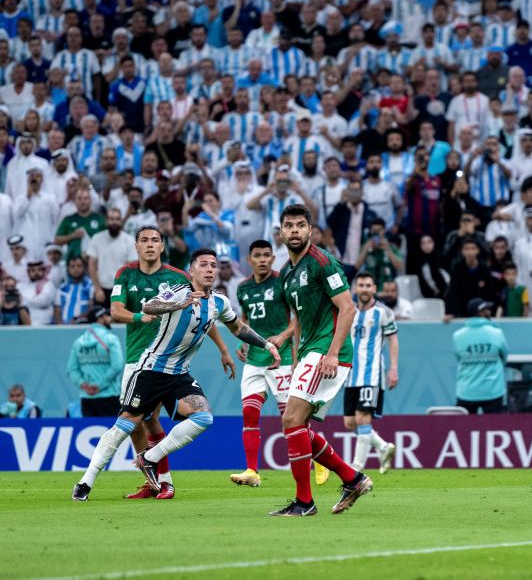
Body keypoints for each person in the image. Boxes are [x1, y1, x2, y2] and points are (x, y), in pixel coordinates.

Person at [73, 248, 275, 502]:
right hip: (151, 369)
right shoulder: (178, 291)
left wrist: (266, 344)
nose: (210, 269)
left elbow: (238, 327)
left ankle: (149, 457)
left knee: (204, 417)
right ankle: (85, 482)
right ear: (192, 271)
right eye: (203, 265)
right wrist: (179, 303)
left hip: (179, 374)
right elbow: (150, 305)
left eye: (213, 265)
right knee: (125, 425)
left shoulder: (219, 302)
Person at [108, 224, 231, 500]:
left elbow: (204, 315)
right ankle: (154, 482)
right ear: (137, 245)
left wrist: (223, 348)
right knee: (141, 423)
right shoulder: (125, 274)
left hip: (169, 361)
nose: (150, 245)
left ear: (163, 246)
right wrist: (143, 316)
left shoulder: (179, 277)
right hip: (136, 358)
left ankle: (165, 482)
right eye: (145, 240)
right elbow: (116, 311)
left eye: (155, 240)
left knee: (153, 419)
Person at [274, 203, 372, 517]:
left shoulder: (322, 261)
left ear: (310, 230)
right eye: (288, 226)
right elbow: (299, 320)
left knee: (291, 420)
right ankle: (352, 478)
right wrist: (294, 357)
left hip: (329, 353)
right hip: (309, 353)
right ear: (281, 231)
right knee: (297, 426)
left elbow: (348, 308)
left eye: (300, 225)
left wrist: (331, 353)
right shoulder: (287, 273)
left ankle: (305, 502)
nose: (294, 231)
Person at [229, 240, 296, 488]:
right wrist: (244, 341)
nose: (263, 259)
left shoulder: (283, 282)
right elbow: (244, 318)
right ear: (250, 260)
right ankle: (251, 471)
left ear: (272, 258)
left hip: (282, 359)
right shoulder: (243, 288)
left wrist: (282, 337)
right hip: (255, 359)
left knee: (291, 418)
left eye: (267, 255)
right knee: (249, 412)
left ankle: (319, 460)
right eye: (258, 255)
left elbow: (297, 319)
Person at [342, 272, 399, 476]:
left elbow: (393, 340)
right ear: (355, 289)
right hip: (350, 375)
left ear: (374, 289)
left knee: (363, 418)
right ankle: (383, 447)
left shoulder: (383, 312)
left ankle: (356, 468)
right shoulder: (348, 311)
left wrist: (393, 368)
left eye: (368, 285)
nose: (364, 289)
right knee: (350, 422)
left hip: (371, 374)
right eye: (361, 285)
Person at [453, 298, 508, 414]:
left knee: (463, 430)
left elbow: (458, 358)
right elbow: (504, 357)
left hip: (466, 391)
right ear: (481, 313)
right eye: (487, 309)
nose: (489, 312)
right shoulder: (496, 333)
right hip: (492, 390)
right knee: (494, 429)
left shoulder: (458, 335)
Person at [66, 306, 124, 417]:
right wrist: (100, 385)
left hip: (87, 397)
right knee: (113, 432)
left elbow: (71, 369)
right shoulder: (111, 339)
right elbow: (117, 365)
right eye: (107, 316)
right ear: (100, 318)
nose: (109, 318)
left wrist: (83, 385)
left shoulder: (78, 341)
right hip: (109, 395)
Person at [86, 207, 136, 305]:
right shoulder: (97, 239)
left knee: (120, 320)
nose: (114, 222)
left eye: (117, 219)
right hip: (102, 289)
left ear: (121, 221)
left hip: (121, 289)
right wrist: (97, 289)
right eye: (111, 219)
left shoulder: (129, 240)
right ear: (106, 221)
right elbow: (92, 266)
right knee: (101, 319)